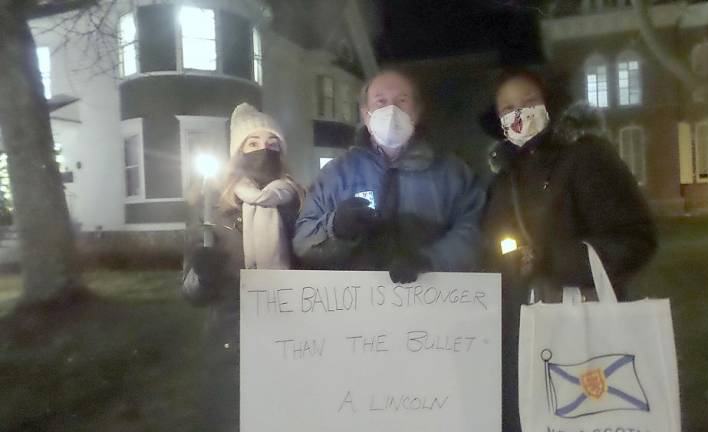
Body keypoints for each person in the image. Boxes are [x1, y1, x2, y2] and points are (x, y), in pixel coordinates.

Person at [482, 68, 657, 431]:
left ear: (549, 105)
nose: (519, 114)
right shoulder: (503, 181)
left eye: (529, 102)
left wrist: (557, 260)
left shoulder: (587, 158)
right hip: (521, 331)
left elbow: (636, 238)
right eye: (508, 108)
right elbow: (491, 249)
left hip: (585, 326)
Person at [293, 69, 485, 282]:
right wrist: (335, 228)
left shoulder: (451, 173)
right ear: (365, 113)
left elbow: (475, 229)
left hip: (432, 301)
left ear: (418, 111)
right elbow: (303, 242)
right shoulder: (336, 175)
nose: (391, 110)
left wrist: (427, 260)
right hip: (356, 304)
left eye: (402, 101)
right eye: (380, 102)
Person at [181, 103, 303, 432]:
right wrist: (204, 274)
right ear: (236, 152)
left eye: (273, 143)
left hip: (292, 335)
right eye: (252, 142)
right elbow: (191, 292)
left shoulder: (299, 201)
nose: (264, 149)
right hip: (230, 340)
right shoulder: (212, 209)